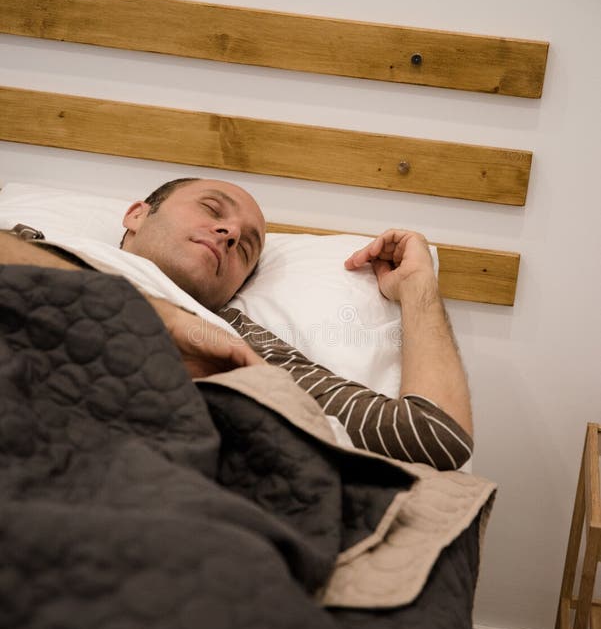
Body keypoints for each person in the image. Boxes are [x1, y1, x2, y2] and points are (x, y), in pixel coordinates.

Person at [1, 176, 473, 468]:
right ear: (137, 214)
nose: (230, 233)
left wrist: (417, 289)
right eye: (212, 209)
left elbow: (435, 435)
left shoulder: (235, 340)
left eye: (247, 248)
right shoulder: (33, 247)